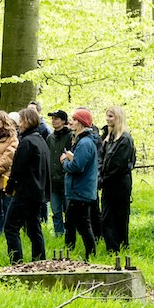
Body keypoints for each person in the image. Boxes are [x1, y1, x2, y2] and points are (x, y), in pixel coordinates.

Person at [5, 106, 50, 263]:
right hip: (38, 192)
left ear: (28, 121)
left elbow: (17, 169)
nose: (19, 124)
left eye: (21, 121)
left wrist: (10, 187)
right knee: (33, 228)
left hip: (25, 192)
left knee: (10, 227)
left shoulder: (27, 142)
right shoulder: (41, 141)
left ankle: (16, 262)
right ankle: (40, 261)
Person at [60, 108, 101, 259]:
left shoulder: (84, 143)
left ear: (82, 123)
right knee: (70, 222)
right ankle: (67, 253)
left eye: (75, 120)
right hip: (78, 190)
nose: (71, 122)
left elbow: (77, 167)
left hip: (81, 191)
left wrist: (64, 162)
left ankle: (91, 255)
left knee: (83, 225)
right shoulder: (83, 141)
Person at [99, 105, 136, 252]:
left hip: (119, 184)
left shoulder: (125, 139)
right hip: (108, 183)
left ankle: (119, 247)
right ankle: (112, 248)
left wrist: (103, 179)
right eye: (107, 116)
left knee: (119, 216)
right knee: (107, 217)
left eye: (111, 116)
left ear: (118, 118)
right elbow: (101, 159)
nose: (107, 119)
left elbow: (118, 165)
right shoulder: (109, 138)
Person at [47, 109, 73, 239]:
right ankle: (58, 235)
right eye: (52, 119)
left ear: (63, 121)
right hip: (53, 181)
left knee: (69, 211)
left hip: (66, 180)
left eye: (56, 118)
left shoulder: (71, 136)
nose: (53, 121)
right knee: (56, 211)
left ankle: (70, 235)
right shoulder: (50, 138)